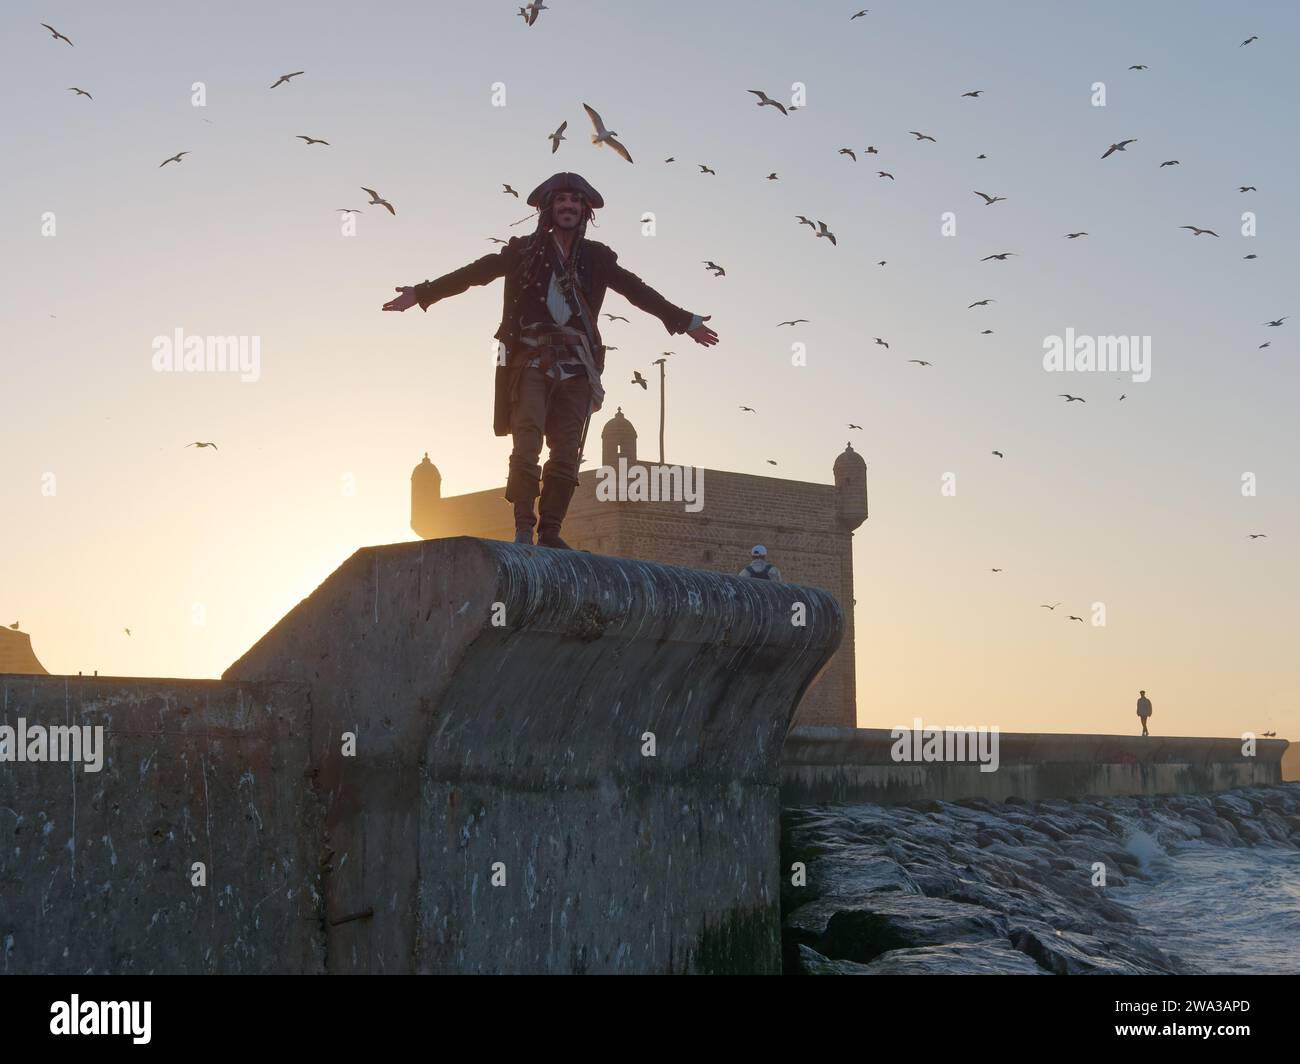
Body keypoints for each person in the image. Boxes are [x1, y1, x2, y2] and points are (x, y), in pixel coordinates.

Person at [383, 172, 718, 548]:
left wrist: (684, 321)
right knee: (526, 442)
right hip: (531, 359)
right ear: (549, 209)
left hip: (577, 365)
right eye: (562, 202)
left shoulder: (598, 259)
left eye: (575, 203)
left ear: (585, 211)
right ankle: (524, 526)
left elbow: (638, 292)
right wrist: (423, 293)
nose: (569, 207)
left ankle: (551, 530)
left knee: (567, 449)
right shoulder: (522, 252)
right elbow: (475, 274)